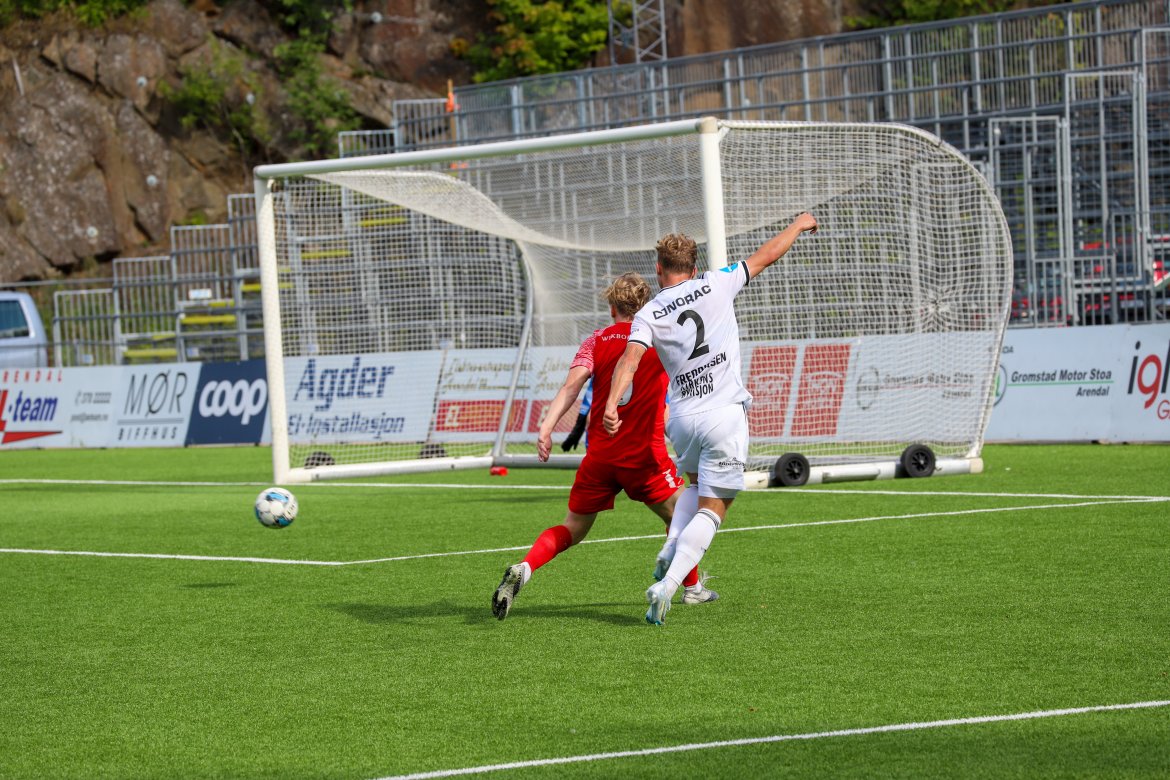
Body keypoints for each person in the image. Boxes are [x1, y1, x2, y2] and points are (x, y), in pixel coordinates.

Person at [603, 213, 819, 625]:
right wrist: (797, 225)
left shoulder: (649, 312)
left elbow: (630, 359)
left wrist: (612, 402)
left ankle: (671, 546)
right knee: (715, 505)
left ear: (660, 269)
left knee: (696, 485)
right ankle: (668, 586)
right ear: (695, 267)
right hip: (723, 413)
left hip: (682, 417)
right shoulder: (717, 281)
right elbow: (765, 256)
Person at [491, 272, 718, 620]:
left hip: (599, 457)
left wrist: (546, 428)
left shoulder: (595, 341)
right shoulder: (657, 338)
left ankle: (526, 566)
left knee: (572, 528)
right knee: (684, 517)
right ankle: (691, 589)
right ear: (644, 306)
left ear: (612, 307)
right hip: (644, 457)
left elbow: (570, 388)